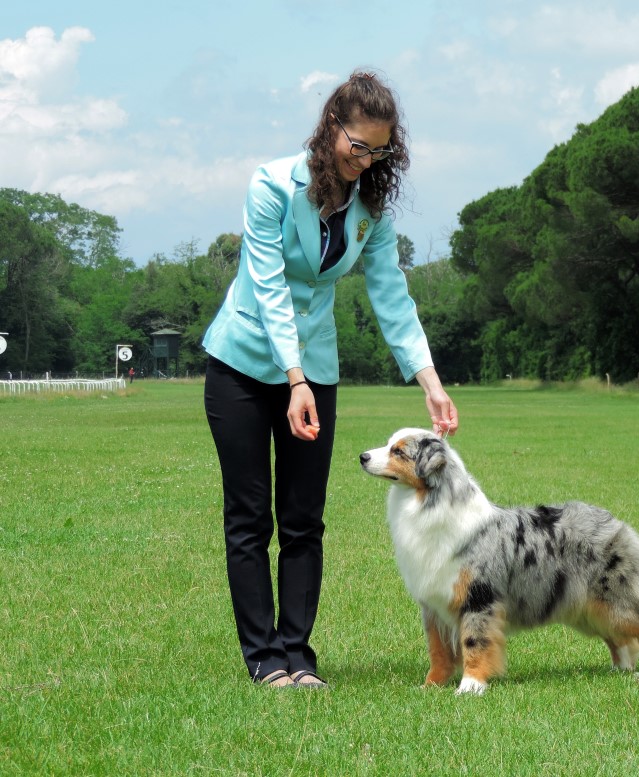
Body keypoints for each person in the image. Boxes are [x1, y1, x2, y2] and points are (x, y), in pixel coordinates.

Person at [202, 69, 459, 689]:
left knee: (303, 519)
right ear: (331, 127)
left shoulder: (370, 211)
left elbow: (392, 297)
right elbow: (266, 286)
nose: (364, 160)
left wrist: (429, 381)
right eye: (357, 144)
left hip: (313, 370)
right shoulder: (270, 185)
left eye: (379, 150)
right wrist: (292, 381)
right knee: (249, 519)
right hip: (242, 361)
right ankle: (264, 659)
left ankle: (298, 654)